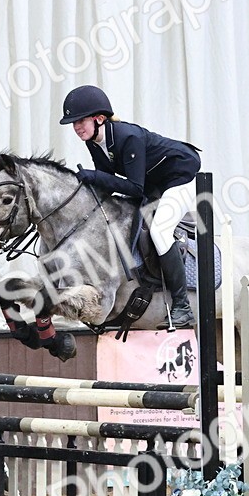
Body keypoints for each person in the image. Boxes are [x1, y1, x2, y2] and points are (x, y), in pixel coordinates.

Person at [60, 85, 201, 329]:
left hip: (181, 176)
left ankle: (182, 306)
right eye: (73, 123)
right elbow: (107, 184)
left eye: (80, 121)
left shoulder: (128, 137)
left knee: (159, 231)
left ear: (99, 118)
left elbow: (134, 187)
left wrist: (94, 177)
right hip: (154, 183)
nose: (76, 127)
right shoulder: (93, 141)